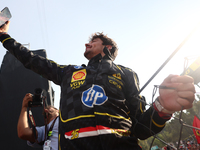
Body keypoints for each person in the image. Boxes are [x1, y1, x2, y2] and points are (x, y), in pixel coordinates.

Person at [0, 21, 195, 150]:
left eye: (93, 41)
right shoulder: (68, 72)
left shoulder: (126, 73)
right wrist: (4, 36)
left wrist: (161, 109)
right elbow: (32, 60)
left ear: (108, 47)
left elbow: (140, 129)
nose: (86, 44)